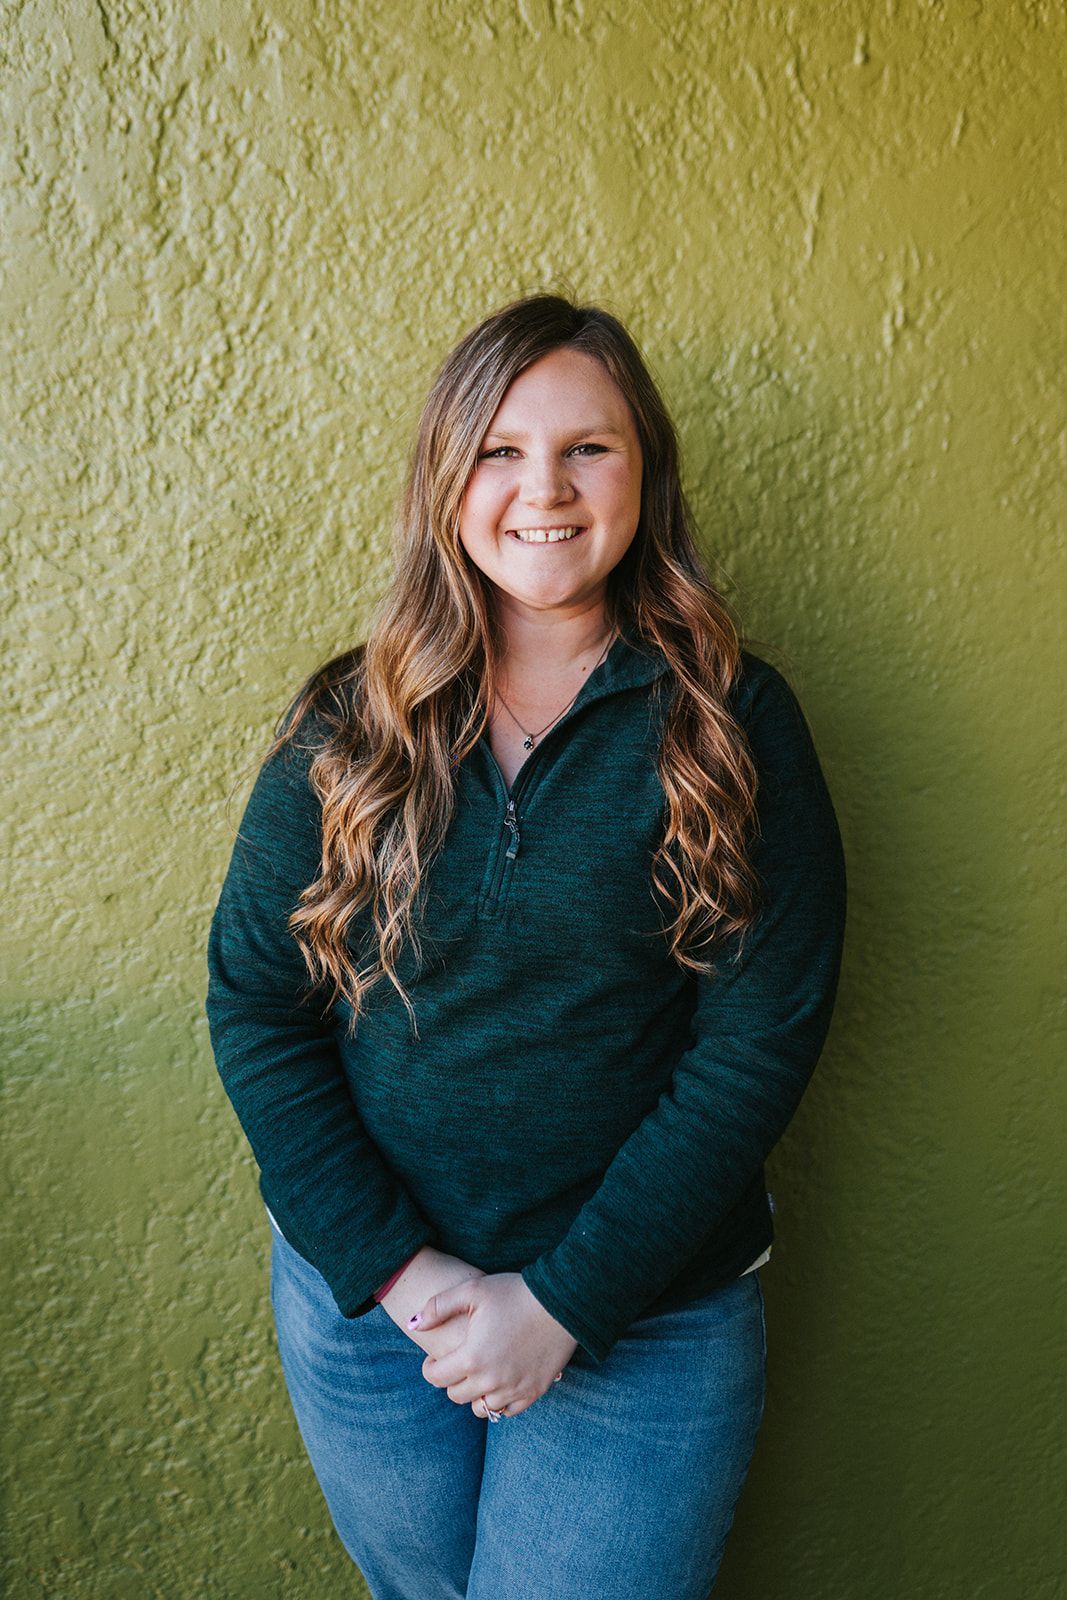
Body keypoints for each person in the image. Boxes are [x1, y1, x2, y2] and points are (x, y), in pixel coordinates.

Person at [205, 291, 847, 1600]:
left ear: (645, 472)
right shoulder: (353, 723)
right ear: (446, 480)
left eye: (586, 448)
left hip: (643, 1319)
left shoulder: (729, 723)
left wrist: (560, 1305)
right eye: (499, 449)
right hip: (378, 1318)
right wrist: (394, 1269)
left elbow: (754, 1050)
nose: (541, 488)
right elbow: (256, 1005)